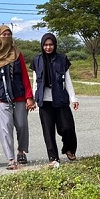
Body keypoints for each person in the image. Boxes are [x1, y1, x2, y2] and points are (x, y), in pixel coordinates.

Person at [0, 24, 34, 170]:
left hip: (19, 96)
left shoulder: (18, 54)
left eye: (8, 34)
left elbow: (25, 76)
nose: (6, 37)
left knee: (22, 125)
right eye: (3, 35)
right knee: (5, 128)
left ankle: (21, 151)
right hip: (1, 98)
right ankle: (11, 158)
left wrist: (29, 97)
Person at [31, 33, 79, 168]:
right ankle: (53, 158)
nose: (48, 47)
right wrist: (34, 99)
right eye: (45, 45)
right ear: (42, 45)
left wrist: (73, 98)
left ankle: (69, 149)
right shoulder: (37, 60)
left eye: (50, 44)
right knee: (48, 130)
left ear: (55, 45)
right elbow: (35, 81)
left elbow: (68, 81)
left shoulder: (62, 59)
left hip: (60, 98)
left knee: (67, 127)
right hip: (44, 101)